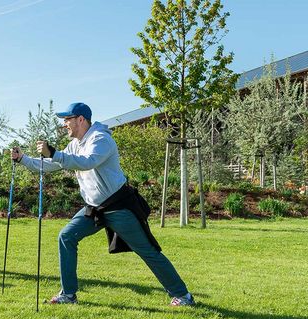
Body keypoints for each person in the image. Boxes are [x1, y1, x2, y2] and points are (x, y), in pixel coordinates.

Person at [11, 102, 195, 306]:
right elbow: (54, 164)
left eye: (67, 120)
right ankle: (68, 295)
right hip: (94, 208)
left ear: (81, 119)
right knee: (66, 236)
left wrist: (54, 152)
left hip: (119, 206)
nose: (65, 125)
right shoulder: (75, 144)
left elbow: (87, 162)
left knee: (147, 251)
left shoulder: (101, 139)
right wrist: (23, 159)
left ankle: (183, 295)